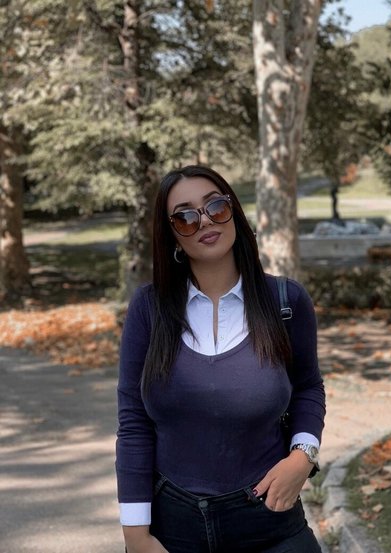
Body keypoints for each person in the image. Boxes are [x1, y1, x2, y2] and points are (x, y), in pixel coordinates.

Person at [116, 165, 326, 553]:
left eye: (216, 206)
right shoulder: (149, 308)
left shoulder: (286, 302)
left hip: (270, 521)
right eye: (185, 217)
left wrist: (303, 457)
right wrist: (136, 535)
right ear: (171, 235)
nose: (205, 221)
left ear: (233, 212)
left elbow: (308, 388)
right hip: (173, 529)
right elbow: (133, 422)